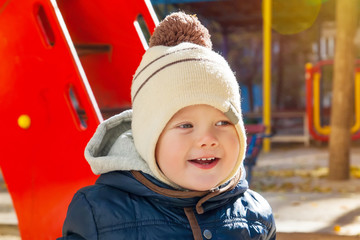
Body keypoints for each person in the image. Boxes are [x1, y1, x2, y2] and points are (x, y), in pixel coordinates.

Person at [58, 12, 276, 240]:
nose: (208, 138)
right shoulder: (100, 215)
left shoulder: (255, 216)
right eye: (186, 125)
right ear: (149, 137)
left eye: (222, 122)